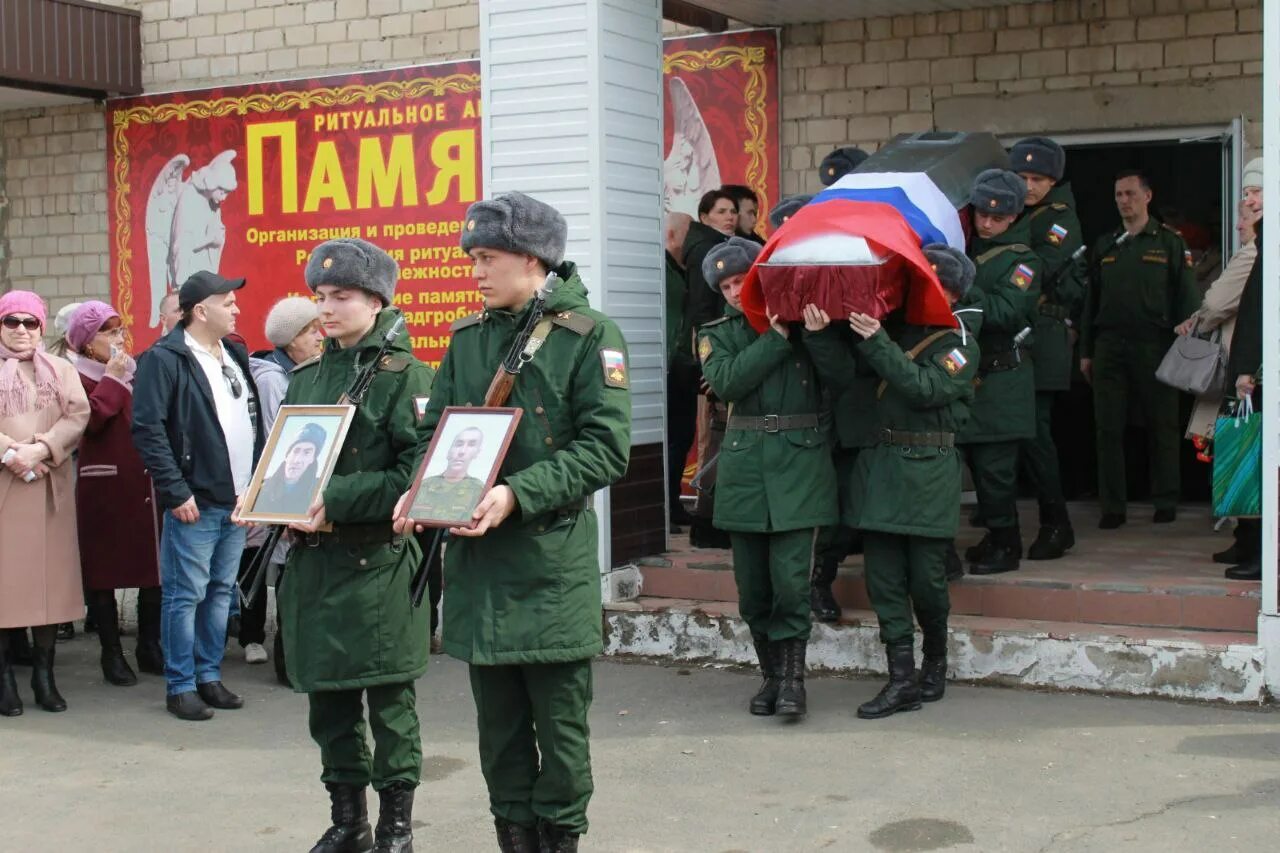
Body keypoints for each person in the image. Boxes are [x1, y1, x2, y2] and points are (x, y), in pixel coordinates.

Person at [394, 191, 631, 852]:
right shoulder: (468, 338)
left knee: (559, 729)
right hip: (478, 568)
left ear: (534, 258)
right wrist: (420, 488)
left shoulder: (590, 337)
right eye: (472, 257)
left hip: (548, 563)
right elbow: (434, 434)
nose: (475, 270)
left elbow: (604, 448)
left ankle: (559, 839)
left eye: (487, 257)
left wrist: (515, 494)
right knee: (497, 731)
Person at [267, 238, 435, 853]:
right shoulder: (308, 375)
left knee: (390, 704)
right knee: (328, 704)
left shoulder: (408, 377)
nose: (326, 309)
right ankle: (348, 821)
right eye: (320, 296)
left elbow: (416, 477)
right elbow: (288, 463)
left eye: (340, 297)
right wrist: (269, 499)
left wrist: (332, 500)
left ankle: (396, 828)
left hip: (377, 563)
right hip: (314, 564)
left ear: (376, 300)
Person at [697, 236, 836, 718]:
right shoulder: (717, 332)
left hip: (800, 464)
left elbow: (841, 379)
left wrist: (814, 335)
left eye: (743, 280)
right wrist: (775, 339)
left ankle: (794, 680)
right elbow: (729, 381)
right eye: (727, 285)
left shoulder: (806, 320)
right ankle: (771, 676)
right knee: (753, 586)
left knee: (791, 583)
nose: (736, 291)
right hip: (744, 468)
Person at [844, 246, 980, 718]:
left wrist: (878, 341)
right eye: (923, 283)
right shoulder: (889, 327)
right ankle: (901, 679)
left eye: (938, 287)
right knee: (882, 579)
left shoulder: (960, 344)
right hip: (881, 466)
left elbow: (925, 389)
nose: (928, 294)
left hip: (927, 468)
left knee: (926, 581)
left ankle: (935, 663)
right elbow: (845, 373)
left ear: (955, 294)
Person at [132, 270, 263, 721]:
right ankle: (180, 685)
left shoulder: (234, 353)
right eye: (228, 302)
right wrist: (174, 490)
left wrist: (258, 485)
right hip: (195, 500)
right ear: (201, 310)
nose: (237, 309)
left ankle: (209, 676)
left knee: (220, 592)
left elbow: (252, 418)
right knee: (185, 595)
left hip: (237, 499)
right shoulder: (164, 359)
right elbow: (148, 430)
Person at [1080, 171, 1201, 528]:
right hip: (1110, 347)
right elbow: (1091, 303)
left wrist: (1187, 347)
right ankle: (1112, 506)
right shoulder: (1106, 245)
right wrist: (1086, 351)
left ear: (1147, 196)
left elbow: (1188, 299)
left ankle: (1165, 499)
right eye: (1118, 194)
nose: (1123, 201)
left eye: (1130, 193)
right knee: (1108, 428)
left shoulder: (1168, 243)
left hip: (1155, 344)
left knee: (1162, 425)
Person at [0, 291, 91, 716]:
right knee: (6, 588)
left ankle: (44, 676)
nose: (20, 330)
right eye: (11, 321)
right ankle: (5, 680)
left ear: (40, 327)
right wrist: (10, 453)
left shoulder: (61, 369)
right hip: (5, 486)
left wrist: (41, 449)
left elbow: (78, 415)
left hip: (49, 485)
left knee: (50, 587)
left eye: (29, 322)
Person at [67, 301, 163, 687]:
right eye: (109, 333)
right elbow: (87, 423)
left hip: (142, 485)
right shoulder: (75, 376)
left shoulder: (133, 373)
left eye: (120, 330)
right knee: (102, 573)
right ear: (89, 344)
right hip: (101, 489)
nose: (120, 339)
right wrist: (111, 380)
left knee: (151, 569)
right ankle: (111, 654)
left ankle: (149, 645)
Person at [959, 169, 1041, 575]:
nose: (987, 223)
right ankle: (994, 536)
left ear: (1012, 218)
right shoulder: (967, 247)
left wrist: (964, 285)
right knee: (974, 465)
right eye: (981, 215)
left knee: (995, 472)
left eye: (997, 217)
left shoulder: (1022, 260)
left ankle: (1007, 543)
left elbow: (1007, 312)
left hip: (1000, 379)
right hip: (968, 378)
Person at [1010, 137, 1087, 560]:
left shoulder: (1060, 218)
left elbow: (1036, 269)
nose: (1027, 186)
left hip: (1043, 336)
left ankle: (1057, 523)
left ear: (1053, 180)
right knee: (1022, 433)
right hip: (1023, 336)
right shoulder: (1025, 213)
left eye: (1036, 178)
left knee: (1037, 433)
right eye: (1020, 178)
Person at [239, 295, 323, 672]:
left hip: (297, 485)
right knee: (284, 572)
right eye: (310, 331)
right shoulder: (275, 379)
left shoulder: (304, 370)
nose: (319, 337)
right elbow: (281, 441)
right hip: (285, 489)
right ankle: (286, 658)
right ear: (290, 340)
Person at [683, 189, 738, 549]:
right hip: (714, 360)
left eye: (733, 211)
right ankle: (708, 520)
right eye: (721, 211)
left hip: (719, 356)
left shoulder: (720, 245)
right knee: (714, 439)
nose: (730, 216)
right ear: (704, 216)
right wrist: (708, 363)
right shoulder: (710, 251)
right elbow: (702, 314)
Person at [1220, 158, 1265, 582]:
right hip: (1253, 374)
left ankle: (1260, 555)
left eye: (1257, 192)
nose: (1248, 201)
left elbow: (1257, 317)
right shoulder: (1265, 243)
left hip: (1260, 377)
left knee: (1257, 465)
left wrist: (1249, 369)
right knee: (1245, 462)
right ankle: (1250, 545)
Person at [663, 210, 699, 529]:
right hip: (668, 367)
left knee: (682, 437)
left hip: (684, 364)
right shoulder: (661, 269)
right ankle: (666, 507)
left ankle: (673, 505)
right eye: (691, 234)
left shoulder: (683, 270)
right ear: (673, 236)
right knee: (673, 439)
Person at [168, 150, 237, 288]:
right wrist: (209, 239)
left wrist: (218, 238)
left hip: (204, 273)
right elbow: (182, 245)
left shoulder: (212, 202)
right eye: (222, 192)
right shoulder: (189, 199)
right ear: (213, 183)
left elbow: (215, 233)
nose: (224, 198)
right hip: (189, 274)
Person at [415, 426, 487, 521]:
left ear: (477, 453)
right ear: (449, 450)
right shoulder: (423, 486)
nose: (462, 451)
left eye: (471, 445)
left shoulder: (478, 490)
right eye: (458, 444)